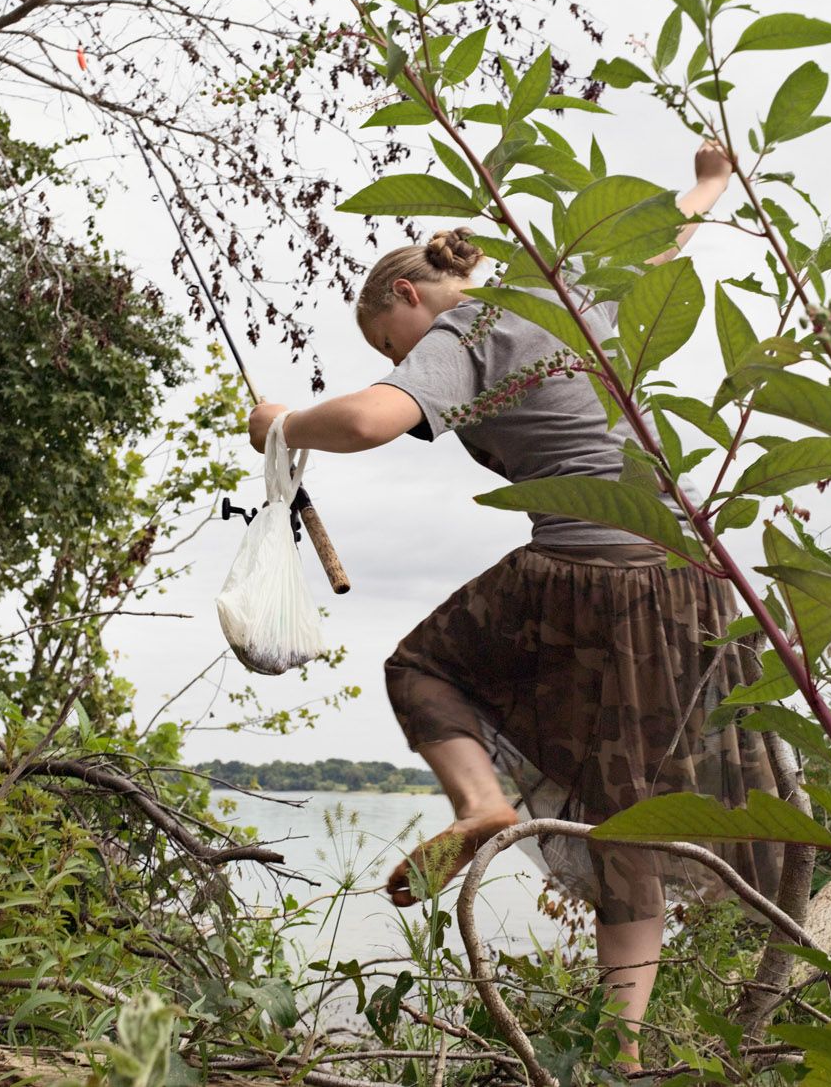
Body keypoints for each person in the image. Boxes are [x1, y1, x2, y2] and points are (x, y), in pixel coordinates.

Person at [246, 140, 784, 1068]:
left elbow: (373, 419)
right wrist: (710, 180)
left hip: (592, 562)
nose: (399, 361)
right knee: (624, 814)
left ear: (408, 296)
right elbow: (668, 237)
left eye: (388, 344)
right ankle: (620, 1053)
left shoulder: (464, 331)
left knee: (421, 669)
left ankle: (483, 805)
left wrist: (283, 426)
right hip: (696, 582)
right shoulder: (565, 284)